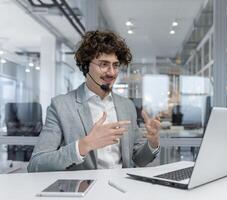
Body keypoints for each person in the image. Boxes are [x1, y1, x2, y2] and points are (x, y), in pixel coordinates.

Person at [27, 31, 161, 172]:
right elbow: (36, 164)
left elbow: (139, 159)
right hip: (85, 190)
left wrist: (152, 143)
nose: (112, 73)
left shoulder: (127, 106)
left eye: (115, 65)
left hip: (122, 190)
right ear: (86, 65)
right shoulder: (61, 106)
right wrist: (84, 145)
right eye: (104, 64)